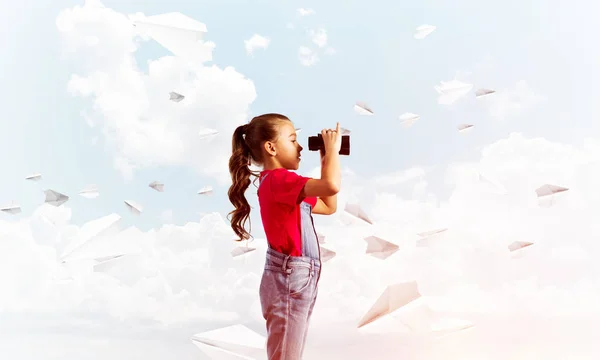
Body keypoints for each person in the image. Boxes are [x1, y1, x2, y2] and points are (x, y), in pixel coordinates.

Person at [227, 113, 342, 360]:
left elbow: (328, 205)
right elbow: (331, 186)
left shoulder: (285, 184)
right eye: (292, 140)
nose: (300, 147)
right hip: (289, 280)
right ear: (271, 148)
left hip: (295, 280)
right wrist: (332, 151)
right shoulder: (280, 180)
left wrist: (325, 159)